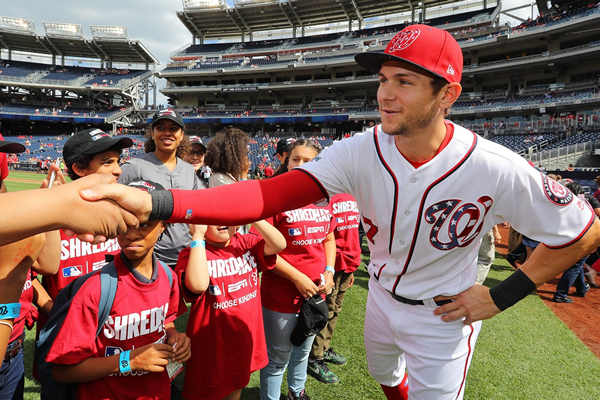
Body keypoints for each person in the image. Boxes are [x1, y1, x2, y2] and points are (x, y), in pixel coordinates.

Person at [80, 25, 600, 400]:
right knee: (384, 375)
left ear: (449, 95)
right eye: (384, 79)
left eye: (405, 82)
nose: (385, 94)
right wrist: (161, 202)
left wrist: (502, 294)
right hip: (381, 298)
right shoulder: (360, 148)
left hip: (445, 314)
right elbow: (268, 196)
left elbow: (583, 231)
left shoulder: (495, 166)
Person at [46, 180, 191, 400]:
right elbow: (63, 371)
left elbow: (166, 320)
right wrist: (129, 361)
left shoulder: (168, 277)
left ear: (163, 225)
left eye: (144, 224)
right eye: (125, 222)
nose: (132, 233)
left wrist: (174, 336)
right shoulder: (96, 290)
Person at [174, 219, 285, 400]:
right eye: (212, 219)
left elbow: (279, 244)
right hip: (211, 347)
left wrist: (252, 217)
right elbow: (198, 285)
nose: (222, 222)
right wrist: (197, 236)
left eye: (228, 217)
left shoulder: (246, 243)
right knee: (205, 391)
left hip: (243, 341)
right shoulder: (193, 253)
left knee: (236, 385)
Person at [259, 139, 335, 400]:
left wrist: (329, 270)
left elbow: (328, 238)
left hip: (316, 293)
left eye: (308, 161)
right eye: (296, 159)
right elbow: (263, 249)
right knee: (278, 356)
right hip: (281, 294)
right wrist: (298, 277)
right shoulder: (273, 197)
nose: (301, 165)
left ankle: (296, 393)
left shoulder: (324, 198)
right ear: (286, 160)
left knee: (303, 351)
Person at [119, 109, 199, 268]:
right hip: (148, 259)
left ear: (181, 135)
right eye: (161, 128)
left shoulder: (189, 170)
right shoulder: (135, 167)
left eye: (173, 129)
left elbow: (195, 214)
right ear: (153, 133)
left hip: (186, 257)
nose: (167, 133)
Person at [308, 193, 362, 385]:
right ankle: (314, 358)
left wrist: (352, 268)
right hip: (334, 264)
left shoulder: (353, 195)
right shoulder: (327, 196)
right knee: (326, 310)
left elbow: (353, 233)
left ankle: (324, 347)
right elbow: (326, 236)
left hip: (349, 262)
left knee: (336, 310)